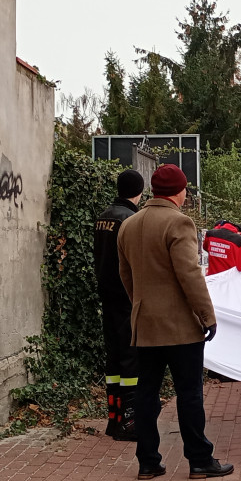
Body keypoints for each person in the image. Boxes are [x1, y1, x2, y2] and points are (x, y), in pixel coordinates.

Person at [116, 164, 233, 480]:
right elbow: (189, 274)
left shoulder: (129, 224)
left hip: (145, 324)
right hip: (180, 327)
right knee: (190, 393)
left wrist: (140, 306)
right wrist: (207, 316)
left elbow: (126, 276)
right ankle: (199, 459)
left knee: (146, 392)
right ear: (180, 192)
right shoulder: (179, 223)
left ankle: (148, 461)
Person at [94, 169, 144, 441]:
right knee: (129, 358)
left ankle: (113, 419)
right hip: (126, 297)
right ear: (140, 191)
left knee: (113, 358)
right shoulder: (131, 220)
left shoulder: (103, 217)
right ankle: (130, 419)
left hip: (107, 295)